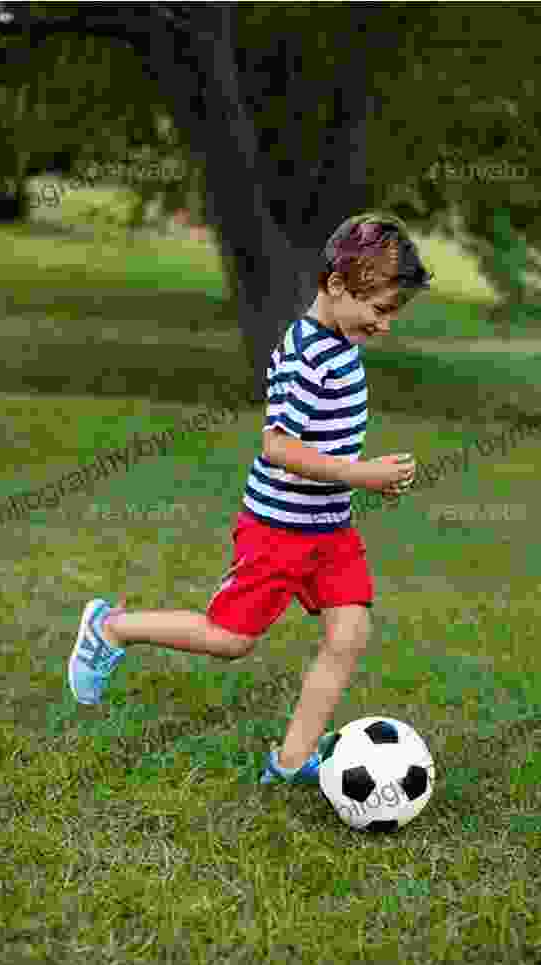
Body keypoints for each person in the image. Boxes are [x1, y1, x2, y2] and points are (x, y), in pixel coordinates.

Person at [67, 210, 433, 784]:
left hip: (329, 528)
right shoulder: (305, 353)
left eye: (393, 312)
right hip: (280, 529)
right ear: (337, 286)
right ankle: (111, 628)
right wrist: (360, 474)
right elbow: (279, 448)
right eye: (380, 309)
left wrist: (361, 478)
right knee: (230, 639)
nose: (386, 324)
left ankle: (290, 763)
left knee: (349, 632)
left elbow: (323, 440)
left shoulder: (341, 343)